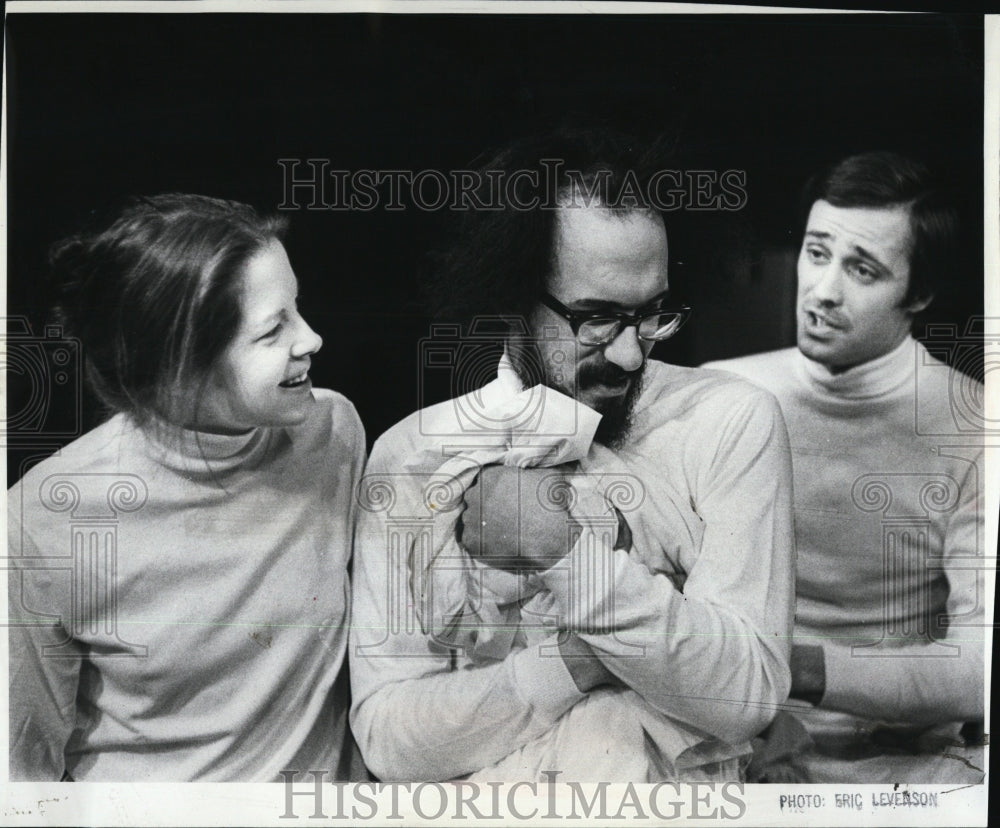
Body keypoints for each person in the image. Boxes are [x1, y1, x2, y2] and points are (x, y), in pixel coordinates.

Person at [349, 129, 795, 782]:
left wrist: (566, 556)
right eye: (596, 319)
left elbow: (746, 695)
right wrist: (576, 662)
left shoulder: (727, 421)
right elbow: (389, 743)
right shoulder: (414, 455)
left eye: (651, 314)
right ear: (512, 299)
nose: (630, 354)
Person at [7, 194, 366, 781]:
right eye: (274, 329)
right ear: (180, 366)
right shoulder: (41, 523)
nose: (312, 338)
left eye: (296, 309)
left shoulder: (333, 432)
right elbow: (23, 776)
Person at [705, 152, 986, 783]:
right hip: (724, 742)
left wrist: (790, 667)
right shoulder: (717, 394)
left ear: (922, 293)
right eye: (815, 252)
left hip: (895, 763)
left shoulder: (976, 429)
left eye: (862, 269)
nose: (824, 290)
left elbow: (982, 669)